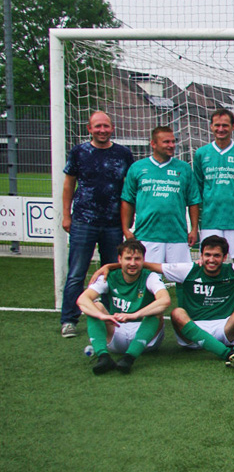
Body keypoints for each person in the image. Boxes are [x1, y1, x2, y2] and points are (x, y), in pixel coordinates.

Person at [98, 236, 234, 364]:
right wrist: (112, 266)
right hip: (192, 333)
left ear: (224, 257)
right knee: (177, 313)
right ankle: (226, 354)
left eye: (216, 256)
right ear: (201, 255)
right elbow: (146, 265)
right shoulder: (187, 270)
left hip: (224, 329)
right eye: (207, 255)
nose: (211, 259)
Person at [60, 111, 133, 338]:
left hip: (113, 225)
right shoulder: (79, 152)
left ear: (112, 128)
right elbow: (68, 185)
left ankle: (111, 316)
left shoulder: (123, 154)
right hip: (83, 221)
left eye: (106, 126)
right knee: (76, 273)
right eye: (98, 126)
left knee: (112, 273)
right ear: (89, 128)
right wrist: (66, 215)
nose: (102, 130)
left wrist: (126, 222)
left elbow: (129, 191)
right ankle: (69, 320)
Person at [77, 239, 171, 374]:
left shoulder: (150, 277)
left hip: (146, 338)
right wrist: (101, 316)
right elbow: (82, 299)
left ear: (143, 260)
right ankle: (103, 357)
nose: (132, 263)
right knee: (95, 306)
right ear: (119, 259)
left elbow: (165, 300)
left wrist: (135, 315)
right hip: (116, 331)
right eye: (128, 258)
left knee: (157, 311)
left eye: (137, 259)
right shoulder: (109, 276)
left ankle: (129, 359)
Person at [121, 126, 201, 264]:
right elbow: (127, 200)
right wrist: (126, 229)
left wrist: (194, 229)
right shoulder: (137, 168)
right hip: (147, 235)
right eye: (166, 142)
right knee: (149, 275)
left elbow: (193, 201)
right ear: (153, 143)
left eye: (173, 141)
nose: (171, 145)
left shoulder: (184, 168)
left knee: (182, 275)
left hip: (177, 236)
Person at [193, 108, 234, 263]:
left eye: (225, 125)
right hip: (211, 219)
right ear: (211, 126)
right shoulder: (201, 153)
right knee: (210, 261)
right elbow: (198, 187)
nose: (221, 129)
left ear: (233, 126)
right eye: (217, 125)